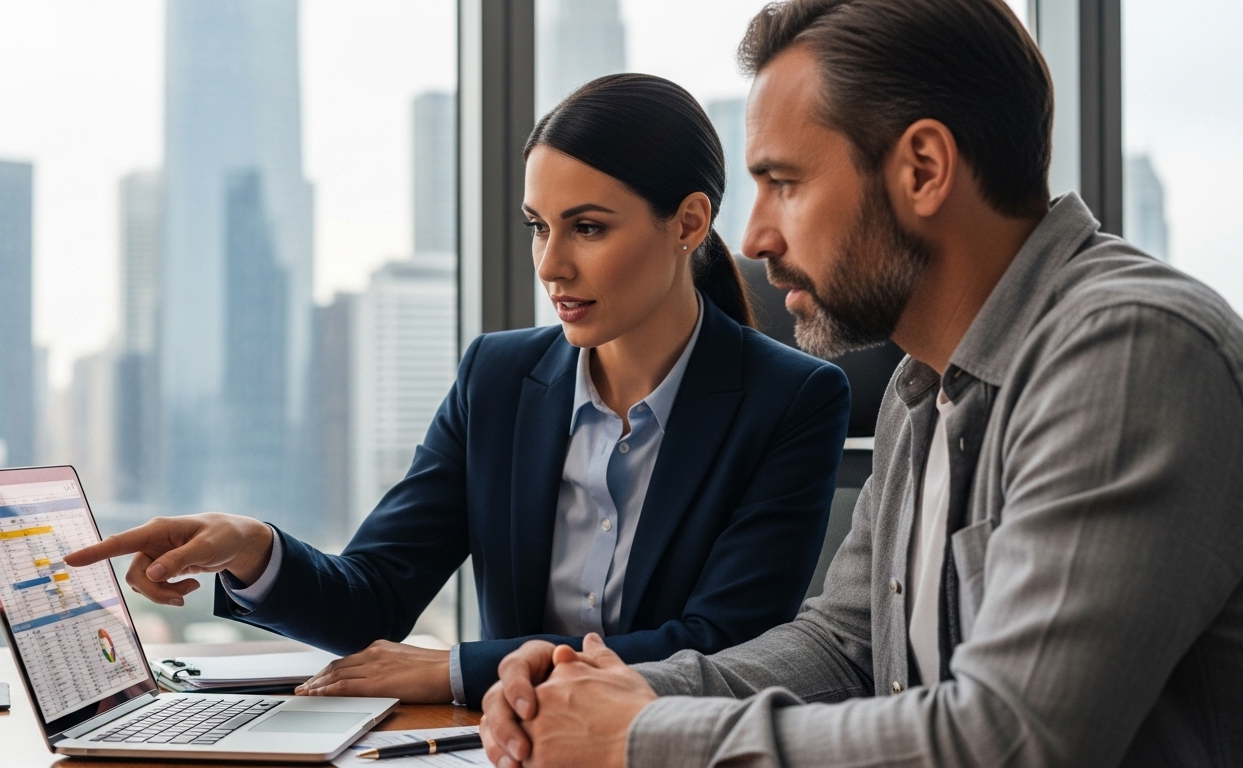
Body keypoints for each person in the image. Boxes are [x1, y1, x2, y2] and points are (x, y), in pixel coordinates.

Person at [479, 0, 1243, 765]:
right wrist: (609, 690)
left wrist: (641, 736)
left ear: (923, 169)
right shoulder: (925, 386)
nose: (752, 238)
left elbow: (1011, 740)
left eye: (784, 183)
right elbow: (844, 648)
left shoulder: (1128, 352)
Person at [64, 73, 851, 709]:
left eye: (587, 227)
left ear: (687, 223)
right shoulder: (500, 378)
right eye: (538, 226)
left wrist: (456, 671)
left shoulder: (793, 399)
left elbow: (721, 642)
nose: (550, 266)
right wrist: (253, 548)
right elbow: (373, 598)